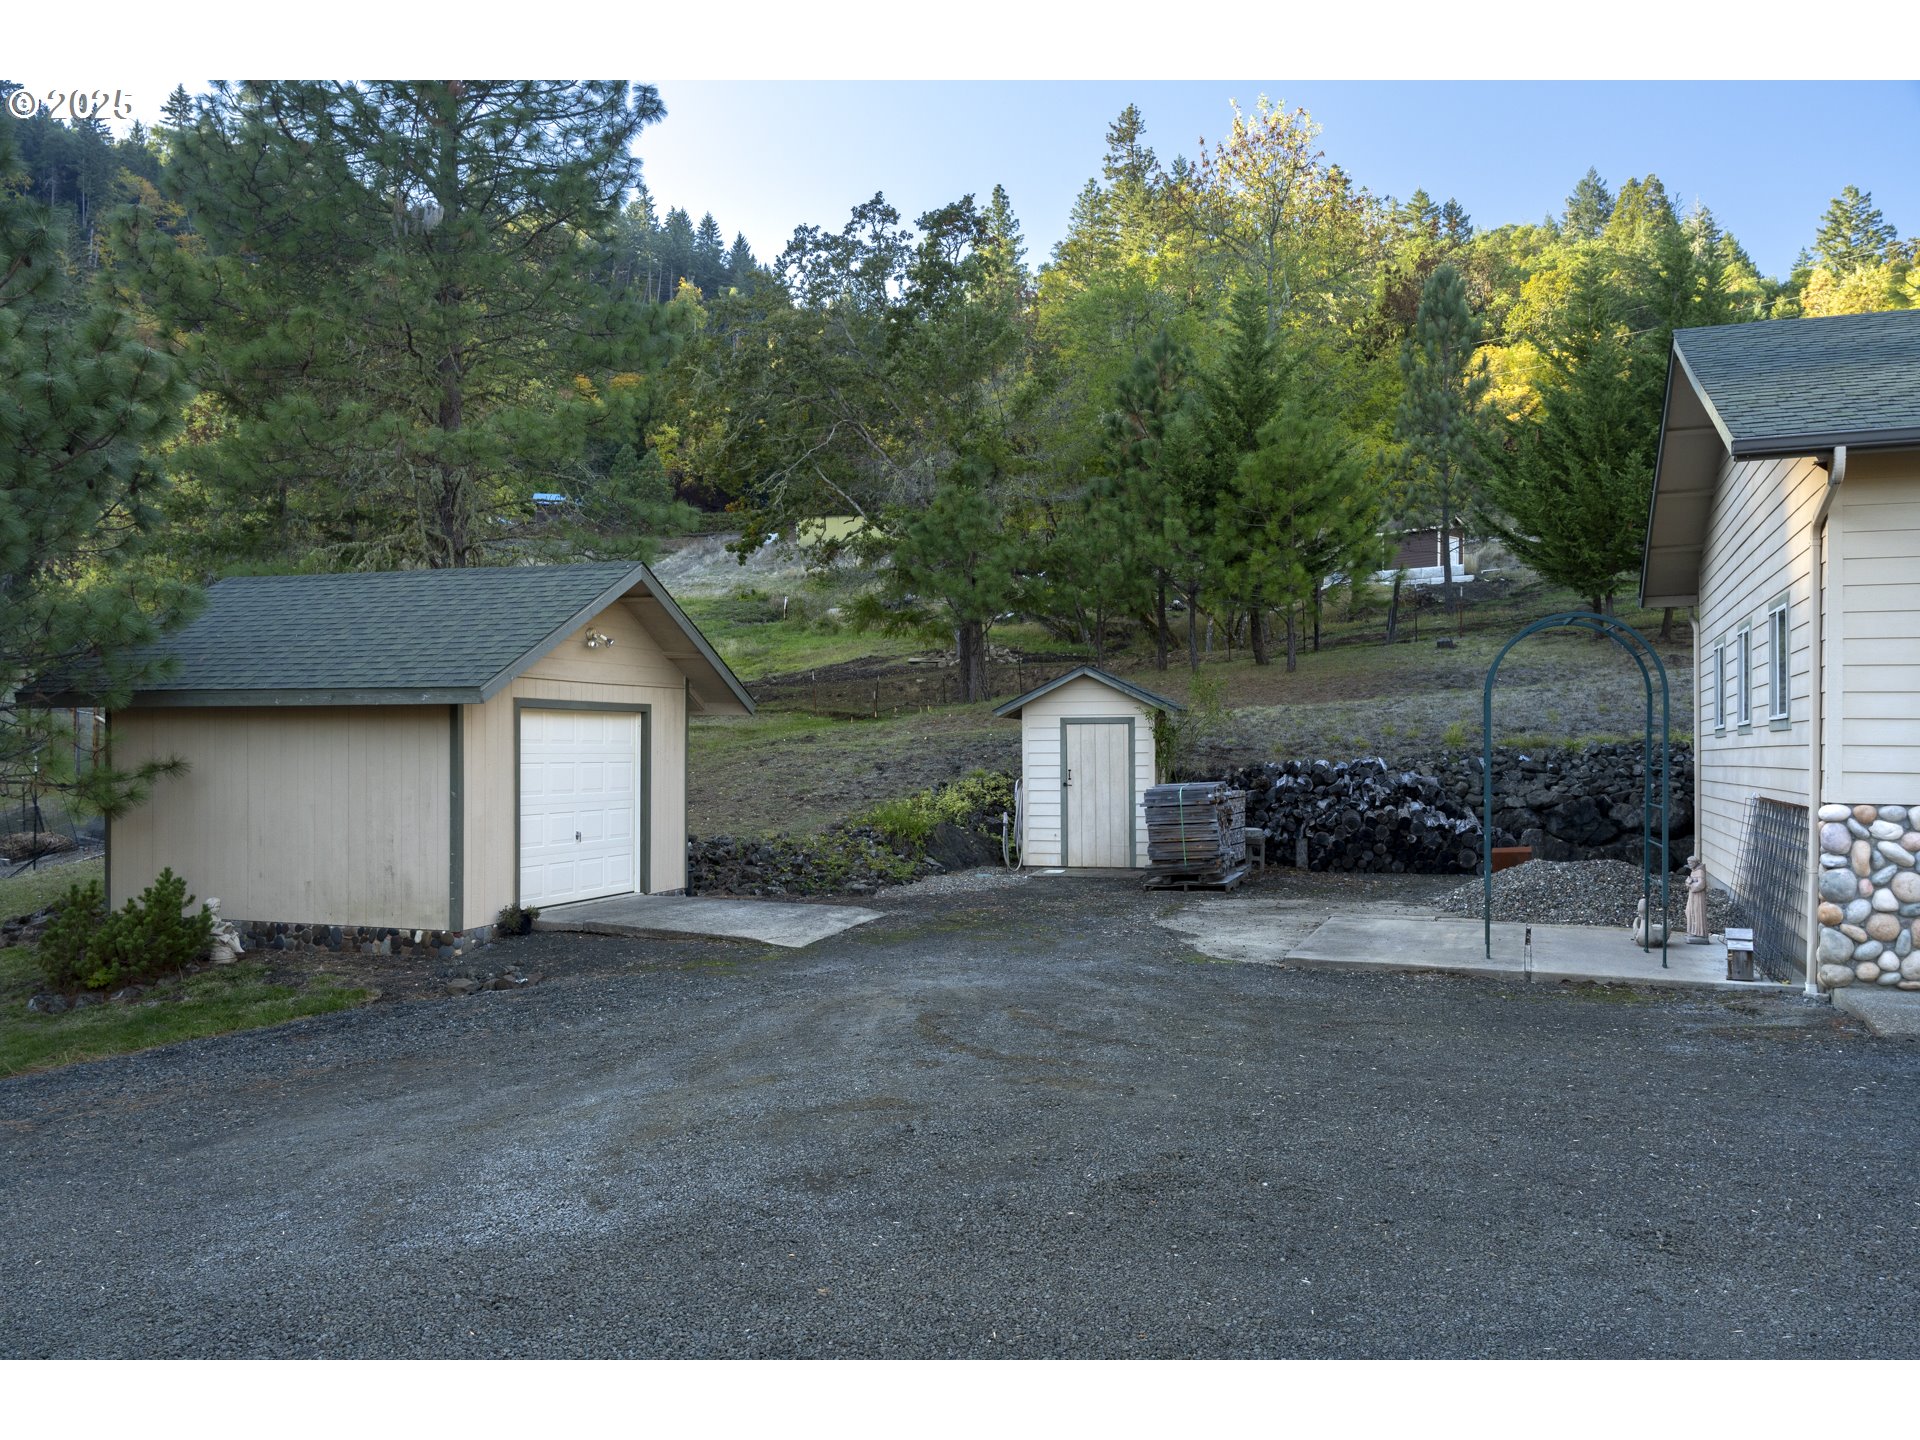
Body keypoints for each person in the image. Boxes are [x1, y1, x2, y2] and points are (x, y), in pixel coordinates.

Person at [1684, 855, 1710, 943]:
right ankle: (1692, 931)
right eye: (1688, 863)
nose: (1689, 864)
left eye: (1691, 863)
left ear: (1695, 862)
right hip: (1692, 895)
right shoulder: (1694, 871)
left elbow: (1701, 884)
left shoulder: (1700, 871)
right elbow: (1691, 880)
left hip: (1698, 896)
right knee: (1688, 911)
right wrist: (1688, 883)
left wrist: (1691, 885)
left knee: (1696, 912)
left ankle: (1699, 933)